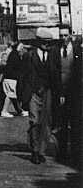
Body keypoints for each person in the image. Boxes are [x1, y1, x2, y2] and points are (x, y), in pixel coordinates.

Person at [26, 27, 62, 164]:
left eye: (49, 43)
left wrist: (59, 93)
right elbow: (25, 76)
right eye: (44, 42)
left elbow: (56, 75)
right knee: (34, 121)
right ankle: (34, 151)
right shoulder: (30, 55)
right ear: (38, 41)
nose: (46, 45)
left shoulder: (53, 55)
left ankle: (41, 151)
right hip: (34, 92)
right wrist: (25, 96)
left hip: (48, 92)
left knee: (46, 123)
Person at [55, 28, 80, 161]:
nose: (63, 38)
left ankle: (76, 153)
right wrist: (59, 92)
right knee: (62, 123)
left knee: (76, 123)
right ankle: (62, 152)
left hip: (75, 93)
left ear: (70, 35)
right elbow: (54, 72)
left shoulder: (78, 50)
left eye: (65, 35)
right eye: (61, 35)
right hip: (61, 93)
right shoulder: (55, 50)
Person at [0, 42, 26, 117]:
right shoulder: (15, 55)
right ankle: (4, 111)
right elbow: (16, 67)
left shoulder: (13, 54)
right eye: (21, 47)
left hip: (10, 77)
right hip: (10, 78)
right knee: (10, 94)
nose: (22, 48)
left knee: (13, 95)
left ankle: (19, 110)